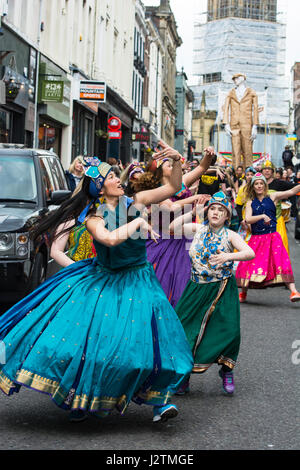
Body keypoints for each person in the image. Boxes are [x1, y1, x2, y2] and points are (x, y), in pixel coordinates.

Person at [0, 153, 194, 424]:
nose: (118, 178)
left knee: (154, 341)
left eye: (116, 175)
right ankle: (82, 397)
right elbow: (109, 240)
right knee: (95, 346)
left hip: (140, 280)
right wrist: (137, 222)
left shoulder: (137, 200)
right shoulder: (93, 216)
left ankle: (160, 402)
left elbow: (174, 188)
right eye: (112, 176)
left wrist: (176, 163)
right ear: (100, 188)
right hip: (107, 282)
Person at [170, 192, 255, 395]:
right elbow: (172, 228)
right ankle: (183, 376)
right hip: (196, 288)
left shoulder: (231, 235)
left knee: (229, 331)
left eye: (221, 210)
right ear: (208, 212)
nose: (216, 212)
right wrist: (192, 211)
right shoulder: (197, 229)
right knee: (186, 331)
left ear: (227, 216)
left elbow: (250, 253)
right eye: (213, 209)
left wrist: (228, 255)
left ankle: (226, 370)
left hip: (221, 289)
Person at [132, 143, 215, 308]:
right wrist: (193, 199)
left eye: (173, 164)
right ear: (159, 170)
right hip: (162, 241)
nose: (174, 166)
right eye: (169, 165)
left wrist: (208, 154)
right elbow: (171, 207)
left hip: (183, 238)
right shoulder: (156, 191)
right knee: (161, 283)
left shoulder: (182, 182)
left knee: (183, 281)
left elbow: (202, 168)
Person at [235, 173, 300, 303]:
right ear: (253, 186)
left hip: (273, 237)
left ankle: (294, 291)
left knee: (282, 261)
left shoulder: (273, 196)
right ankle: (243, 293)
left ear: (265, 185)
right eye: (256, 184)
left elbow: (292, 191)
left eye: (261, 183)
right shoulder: (249, 202)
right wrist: (261, 217)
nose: (259, 186)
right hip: (256, 237)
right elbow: (248, 219)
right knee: (249, 264)